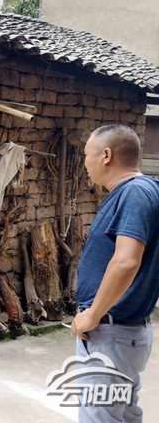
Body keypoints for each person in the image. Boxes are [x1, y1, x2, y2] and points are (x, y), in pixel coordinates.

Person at [71, 125, 159, 422]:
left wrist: (93, 314)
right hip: (123, 334)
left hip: (112, 333)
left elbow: (126, 262)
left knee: (100, 416)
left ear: (106, 155)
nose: (85, 162)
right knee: (125, 414)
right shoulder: (145, 191)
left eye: (87, 154)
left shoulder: (134, 193)